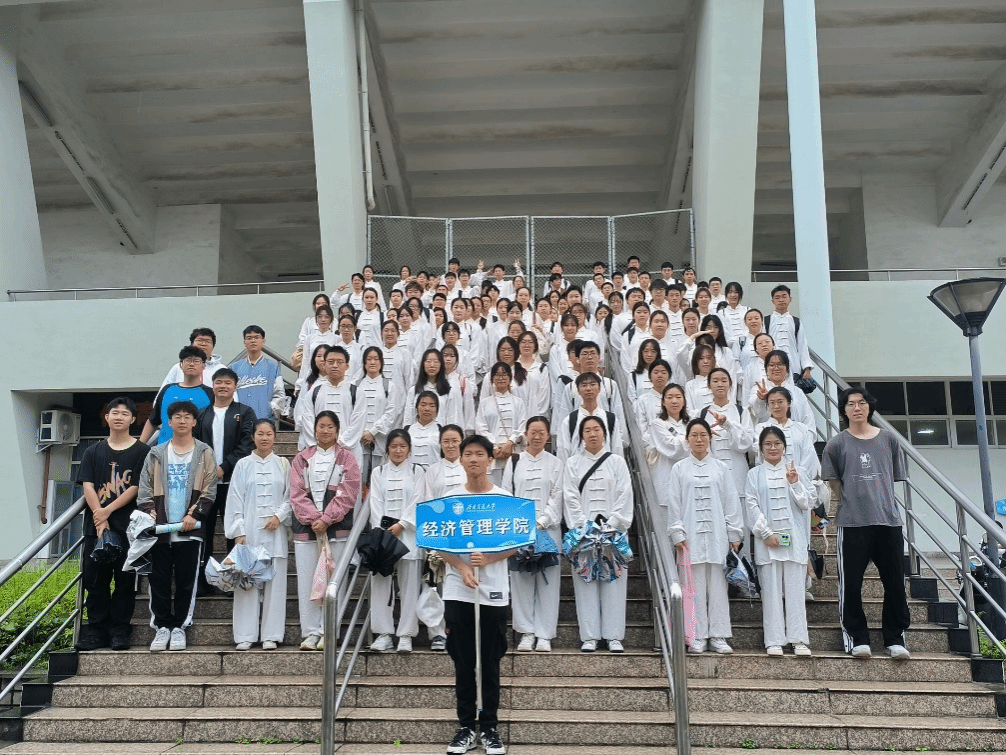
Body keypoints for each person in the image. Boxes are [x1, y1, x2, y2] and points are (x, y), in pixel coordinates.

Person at [441, 435, 518, 755]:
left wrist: (488, 559)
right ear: (460, 459)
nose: (474, 459)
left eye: (480, 454)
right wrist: (461, 566)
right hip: (458, 589)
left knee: (489, 660)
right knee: (463, 660)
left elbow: (517, 542)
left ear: (490, 459)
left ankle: (489, 727)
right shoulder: (450, 498)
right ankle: (465, 726)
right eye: (468, 454)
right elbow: (438, 542)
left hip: (494, 591)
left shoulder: (504, 498)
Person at [822, 387, 911, 660]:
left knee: (895, 583)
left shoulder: (888, 439)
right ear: (844, 410)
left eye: (862, 403)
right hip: (852, 523)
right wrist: (853, 500)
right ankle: (857, 638)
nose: (857, 408)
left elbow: (891, 478)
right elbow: (834, 482)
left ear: (869, 407)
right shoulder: (836, 444)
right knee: (851, 584)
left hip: (887, 521)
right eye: (851, 404)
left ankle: (895, 639)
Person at [137, 401, 218, 652]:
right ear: (169, 422)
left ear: (194, 422)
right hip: (160, 528)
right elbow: (144, 488)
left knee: (186, 581)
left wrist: (195, 515)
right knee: (158, 580)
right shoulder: (156, 453)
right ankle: (161, 627)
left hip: (189, 529)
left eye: (187, 417)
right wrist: (150, 514)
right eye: (177, 417)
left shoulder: (204, 452)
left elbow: (210, 488)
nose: (182, 421)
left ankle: (180, 627)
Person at [75, 397, 150, 652]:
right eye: (114, 413)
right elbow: (87, 484)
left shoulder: (142, 451)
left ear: (133, 419)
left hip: (127, 527)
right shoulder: (93, 451)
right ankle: (96, 631)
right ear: (106, 418)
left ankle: (120, 631)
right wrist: (99, 517)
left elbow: (136, 487)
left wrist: (106, 511)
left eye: (124, 413)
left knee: (125, 581)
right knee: (95, 581)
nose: (119, 417)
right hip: (96, 529)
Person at [666, 418, 743, 654]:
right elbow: (674, 503)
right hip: (690, 538)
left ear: (710, 438)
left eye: (703, 435)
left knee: (718, 588)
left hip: (718, 535)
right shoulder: (679, 469)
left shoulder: (720, 468)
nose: (699, 439)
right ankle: (696, 635)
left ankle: (718, 635)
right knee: (693, 588)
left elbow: (731, 501)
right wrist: (677, 532)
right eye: (694, 435)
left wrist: (734, 532)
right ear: (687, 439)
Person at [289, 411, 362, 651]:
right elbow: (296, 493)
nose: (326, 430)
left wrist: (328, 519)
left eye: (331, 426)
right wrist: (314, 519)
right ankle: (310, 632)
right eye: (322, 426)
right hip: (307, 529)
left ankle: (329, 632)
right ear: (314, 429)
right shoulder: (301, 458)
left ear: (338, 430)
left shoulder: (347, 458)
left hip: (336, 530)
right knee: (307, 582)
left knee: (333, 582)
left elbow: (349, 492)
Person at [562, 415, 634, 653]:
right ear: (581, 435)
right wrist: (584, 526)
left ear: (605, 433)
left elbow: (625, 494)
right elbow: (570, 497)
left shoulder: (617, 462)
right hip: (583, 534)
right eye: (587, 430)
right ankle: (590, 636)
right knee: (586, 581)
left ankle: (614, 636)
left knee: (614, 582)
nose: (592, 434)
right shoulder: (572, 463)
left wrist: (611, 524)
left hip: (613, 533)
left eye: (596, 429)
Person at [744, 426, 813, 656]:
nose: (773, 448)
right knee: (771, 592)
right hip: (767, 542)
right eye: (768, 444)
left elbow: (807, 503)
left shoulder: (798, 471)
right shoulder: (754, 474)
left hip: (794, 540)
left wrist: (794, 483)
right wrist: (766, 533)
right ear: (761, 448)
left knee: (795, 591)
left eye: (777, 443)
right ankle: (773, 640)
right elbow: (751, 505)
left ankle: (798, 639)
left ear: (784, 446)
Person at [225, 419, 292, 650]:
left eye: (269, 433)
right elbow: (235, 498)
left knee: (275, 584)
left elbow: (290, 496)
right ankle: (245, 634)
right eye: (260, 434)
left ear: (275, 437)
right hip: (250, 533)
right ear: (253, 437)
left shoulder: (283, 464)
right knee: (247, 584)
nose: (264, 438)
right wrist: (239, 531)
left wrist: (279, 516)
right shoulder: (243, 465)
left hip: (276, 534)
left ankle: (271, 635)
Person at [502, 416, 563, 653]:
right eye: (533, 432)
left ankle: (545, 634)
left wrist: (542, 521)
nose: (537, 437)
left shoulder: (556, 463)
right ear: (525, 434)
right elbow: (506, 494)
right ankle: (526, 632)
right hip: (520, 530)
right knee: (521, 581)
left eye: (541, 433)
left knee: (549, 583)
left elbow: (557, 496)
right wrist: (522, 524)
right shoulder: (515, 461)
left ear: (548, 436)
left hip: (548, 529)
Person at [195, 367, 257, 595]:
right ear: (212, 385)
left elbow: (247, 443)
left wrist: (224, 468)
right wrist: (209, 471)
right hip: (206, 485)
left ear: (235, 387)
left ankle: (233, 582)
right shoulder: (201, 413)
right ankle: (204, 582)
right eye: (218, 382)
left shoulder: (245, 412)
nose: (223, 386)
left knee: (234, 531)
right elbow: (195, 444)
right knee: (204, 533)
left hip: (234, 484)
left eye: (227, 383)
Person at [367, 429, 424, 654]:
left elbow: (419, 499)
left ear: (409, 449)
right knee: (381, 584)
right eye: (393, 446)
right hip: (384, 536)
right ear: (387, 448)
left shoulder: (417, 471)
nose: (398, 450)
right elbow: (375, 501)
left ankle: (406, 634)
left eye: (402, 446)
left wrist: (403, 524)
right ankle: (383, 634)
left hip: (408, 534)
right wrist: (382, 531)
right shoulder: (378, 472)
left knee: (409, 586)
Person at [141, 347, 215, 445]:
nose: (191, 364)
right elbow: (153, 420)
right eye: (188, 360)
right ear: (181, 365)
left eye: (196, 361)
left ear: (203, 366)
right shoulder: (167, 390)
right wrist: (139, 446)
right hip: (164, 449)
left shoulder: (211, 394)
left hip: (196, 450)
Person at [475, 362, 528, 486]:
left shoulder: (518, 402)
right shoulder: (485, 403)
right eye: (497, 375)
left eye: (504, 374)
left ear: (510, 378)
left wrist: (510, 443)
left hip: (514, 452)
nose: (501, 378)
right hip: (492, 454)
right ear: (492, 379)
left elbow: (523, 426)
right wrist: (494, 447)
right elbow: (480, 428)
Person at [231, 325, 286, 422]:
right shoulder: (235, 367)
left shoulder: (272, 366)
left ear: (263, 341)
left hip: (265, 420)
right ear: (244, 343)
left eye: (257, 337)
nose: (253, 341)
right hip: (240, 421)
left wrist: (270, 409)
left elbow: (279, 393)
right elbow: (231, 393)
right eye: (249, 338)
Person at [765, 285, 812, 382]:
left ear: (790, 299)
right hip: (772, 368)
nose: (781, 300)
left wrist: (806, 368)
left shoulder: (796, 322)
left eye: (784, 296)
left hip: (793, 367)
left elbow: (802, 345)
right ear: (772, 301)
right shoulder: (766, 321)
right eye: (777, 297)